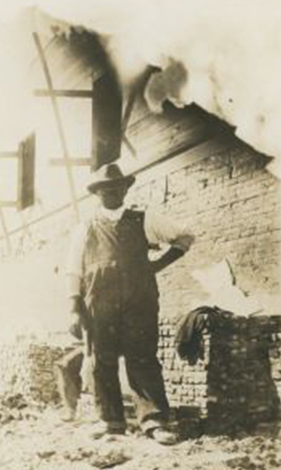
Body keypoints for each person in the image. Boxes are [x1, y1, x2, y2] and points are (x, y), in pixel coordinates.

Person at [64, 162, 195, 444]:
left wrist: (157, 264)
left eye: (116, 186)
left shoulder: (144, 218)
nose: (110, 192)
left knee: (143, 357)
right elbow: (73, 270)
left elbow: (185, 236)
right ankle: (110, 422)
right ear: (97, 193)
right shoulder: (85, 228)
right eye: (104, 188)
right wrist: (74, 308)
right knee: (102, 361)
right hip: (98, 304)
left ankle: (155, 422)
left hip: (140, 301)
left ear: (126, 188)